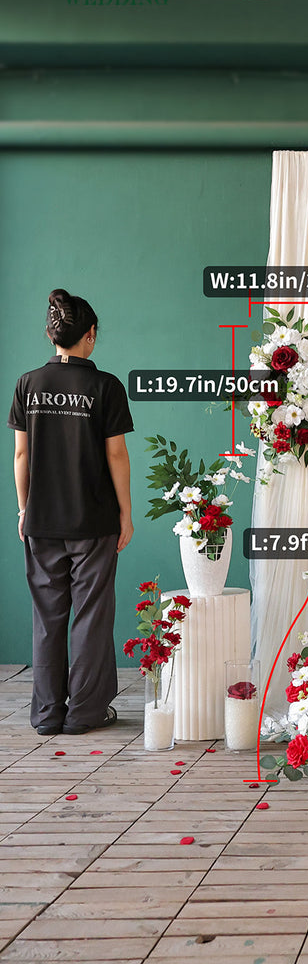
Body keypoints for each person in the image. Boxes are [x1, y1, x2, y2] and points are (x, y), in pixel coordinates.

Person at [9, 289, 134, 735]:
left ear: (51, 334)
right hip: (94, 521)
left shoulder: (28, 384)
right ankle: (84, 713)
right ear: (91, 336)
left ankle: (46, 715)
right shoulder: (106, 387)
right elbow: (116, 456)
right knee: (91, 617)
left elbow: (21, 456)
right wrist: (126, 514)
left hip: (41, 521)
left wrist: (25, 510)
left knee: (48, 619)